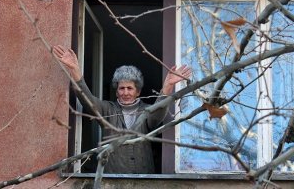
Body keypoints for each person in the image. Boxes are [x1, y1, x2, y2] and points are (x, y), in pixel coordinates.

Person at [53, 45, 191, 174]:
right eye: (121, 88)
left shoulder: (147, 110)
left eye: (130, 88)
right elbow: (87, 99)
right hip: (111, 180)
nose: (125, 93)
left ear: (138, 92)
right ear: (117, 91)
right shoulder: (107, 109)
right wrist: (75, 70)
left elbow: (158, 114)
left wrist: (167, 87)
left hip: (143, 182)